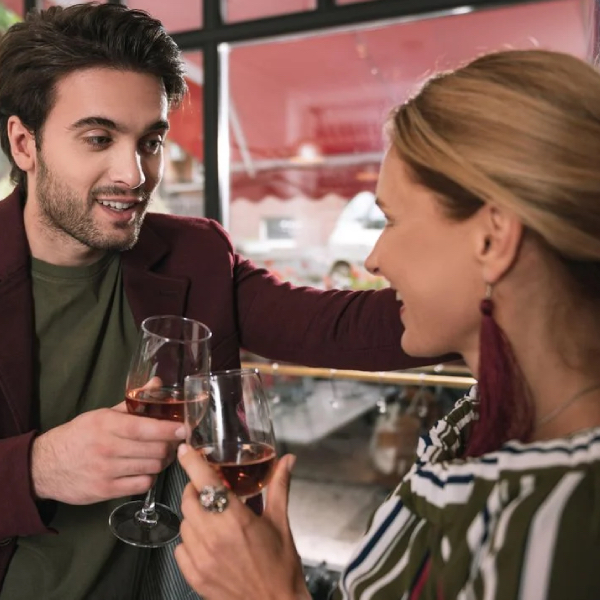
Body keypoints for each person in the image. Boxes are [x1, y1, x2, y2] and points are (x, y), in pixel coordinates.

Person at [0, 3, 433, 599]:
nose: (134, 174)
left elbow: (338, 328)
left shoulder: (193, 255)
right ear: (24, 143)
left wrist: (506, 287)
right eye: (98, 138)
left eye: (149, 141)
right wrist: (35, 469)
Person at [174, 48, 600, 600]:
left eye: (391, 219)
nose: (374, 259)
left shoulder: (567, 523)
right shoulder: (489, 420)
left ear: (492, 238)